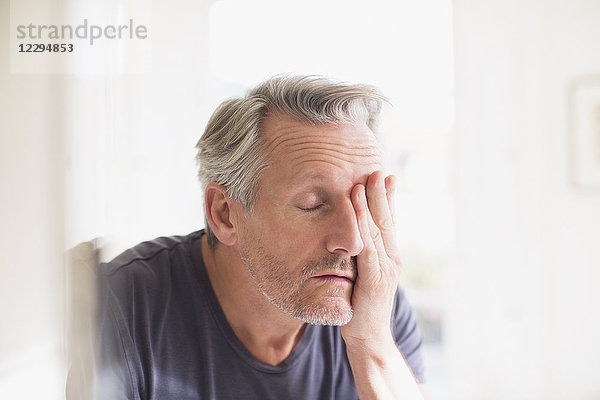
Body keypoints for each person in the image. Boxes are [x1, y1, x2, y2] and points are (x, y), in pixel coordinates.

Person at [96, 75, 428, 399]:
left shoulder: (376, 304)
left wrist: (373, 345)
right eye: (313, 205)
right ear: (225, 214)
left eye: (365, 205)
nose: (354, 241)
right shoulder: (122, 308)